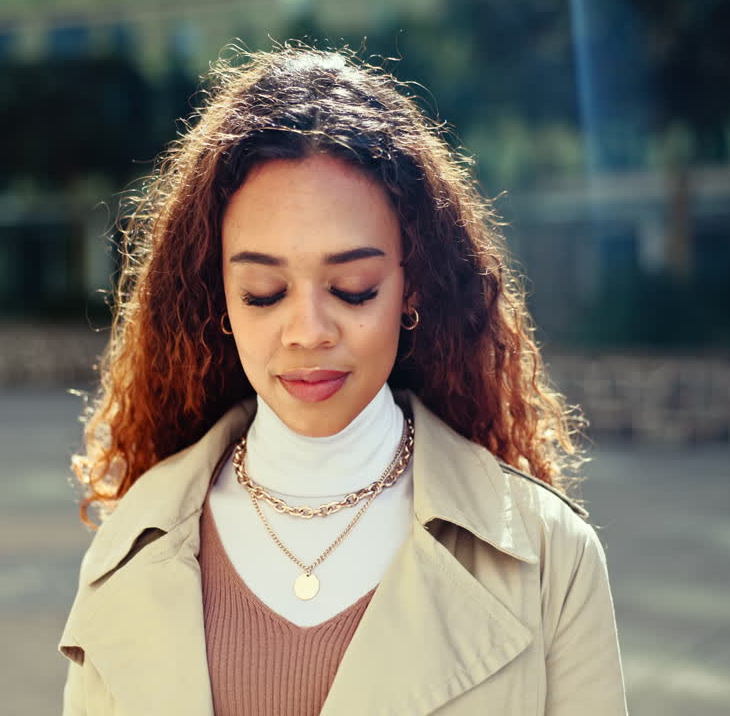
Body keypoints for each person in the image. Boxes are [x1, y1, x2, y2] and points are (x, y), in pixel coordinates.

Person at [59, 44, 627, 715]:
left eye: (354, 288)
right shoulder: (128, 547)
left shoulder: (551, 557)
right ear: (219, 301)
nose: (308, 331)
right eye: (264, 292)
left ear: (412, 284)